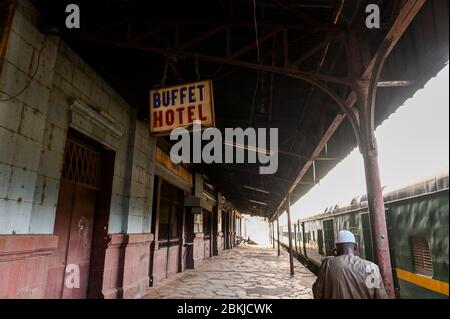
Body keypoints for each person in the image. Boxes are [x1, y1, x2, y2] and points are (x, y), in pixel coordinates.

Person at [312, 230, 388, 299]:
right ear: (355, 247)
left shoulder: (327, 264)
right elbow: (380, 296)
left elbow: (317, 293)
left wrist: (334, 258)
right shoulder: (371, 267)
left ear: (336, 248)